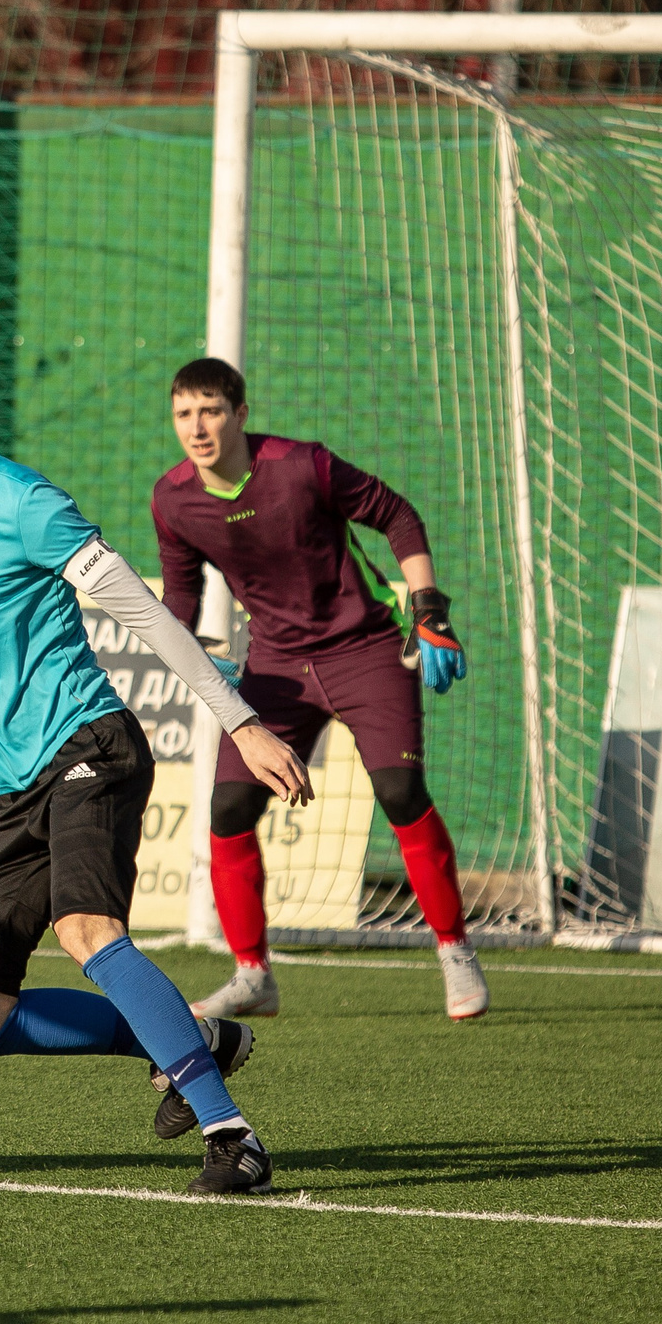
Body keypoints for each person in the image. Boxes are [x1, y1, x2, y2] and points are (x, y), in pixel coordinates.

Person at [0, 331, 313, 1194]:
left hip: (89, 745)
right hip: (12, 783)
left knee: (87, 933)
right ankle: (194, 1040)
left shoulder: (24, 501)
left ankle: (231, 1135)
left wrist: (241, 722)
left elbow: (142, 612)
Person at [150, 356, 489, 1023]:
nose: (198, 427)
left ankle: (454, 949)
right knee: (228, 809)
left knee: (400, 792)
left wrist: (430, 610)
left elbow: (398, 515)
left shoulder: (303, 464)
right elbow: (182, 594)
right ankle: (253, 976)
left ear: (240, 415)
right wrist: (184, 652)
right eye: (185, 413)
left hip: (364, 649)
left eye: (211, 410)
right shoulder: (173, 499)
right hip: (276, 667)